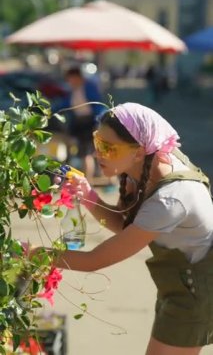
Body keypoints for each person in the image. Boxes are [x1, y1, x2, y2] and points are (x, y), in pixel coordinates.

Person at [34, 102, 213, 354]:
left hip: (197, 293)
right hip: (180, 283)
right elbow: (124, 226)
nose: (98, 154)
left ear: (139, 151)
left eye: (108, 147)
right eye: (98, 142)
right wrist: (88, 195)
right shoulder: (143, 164)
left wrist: (30, 255)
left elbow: (94, 260)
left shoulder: (170, 199)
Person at [64, 65, 105, 180]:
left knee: (87, 153)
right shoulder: (73, 90)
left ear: (77, 77)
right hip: (78, 123)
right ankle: (87, 178)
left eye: (71, 79)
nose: (70, 82)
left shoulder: (89, 87)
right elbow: (67, 104)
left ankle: (88, 180)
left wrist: (98, 123)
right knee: (83, 153)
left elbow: (97, 105)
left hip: (90, 123)